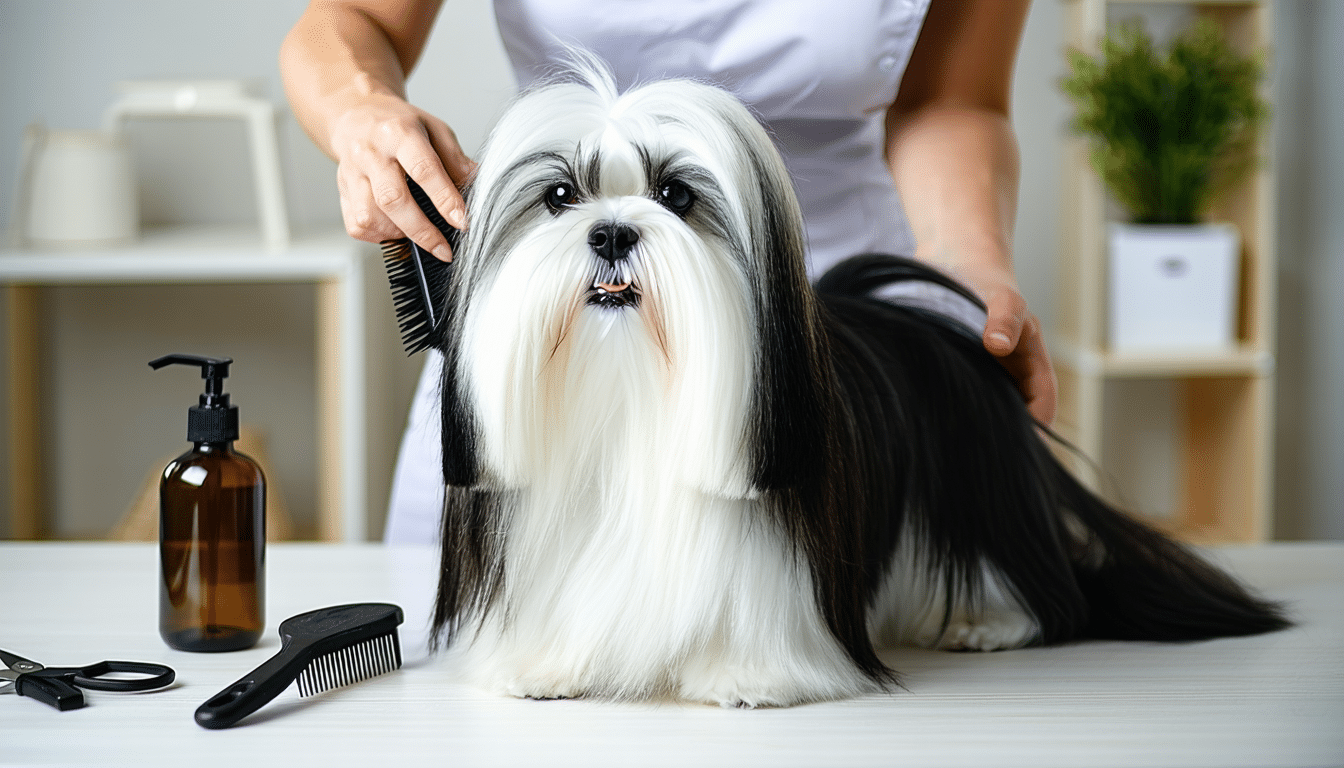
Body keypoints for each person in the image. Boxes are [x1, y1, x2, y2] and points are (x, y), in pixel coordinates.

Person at [280, 0, 1057, 543]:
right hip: (541, 337)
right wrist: (360, 111)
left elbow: (953, 99)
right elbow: (350, 19)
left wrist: (967, 265)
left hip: (832, 346)